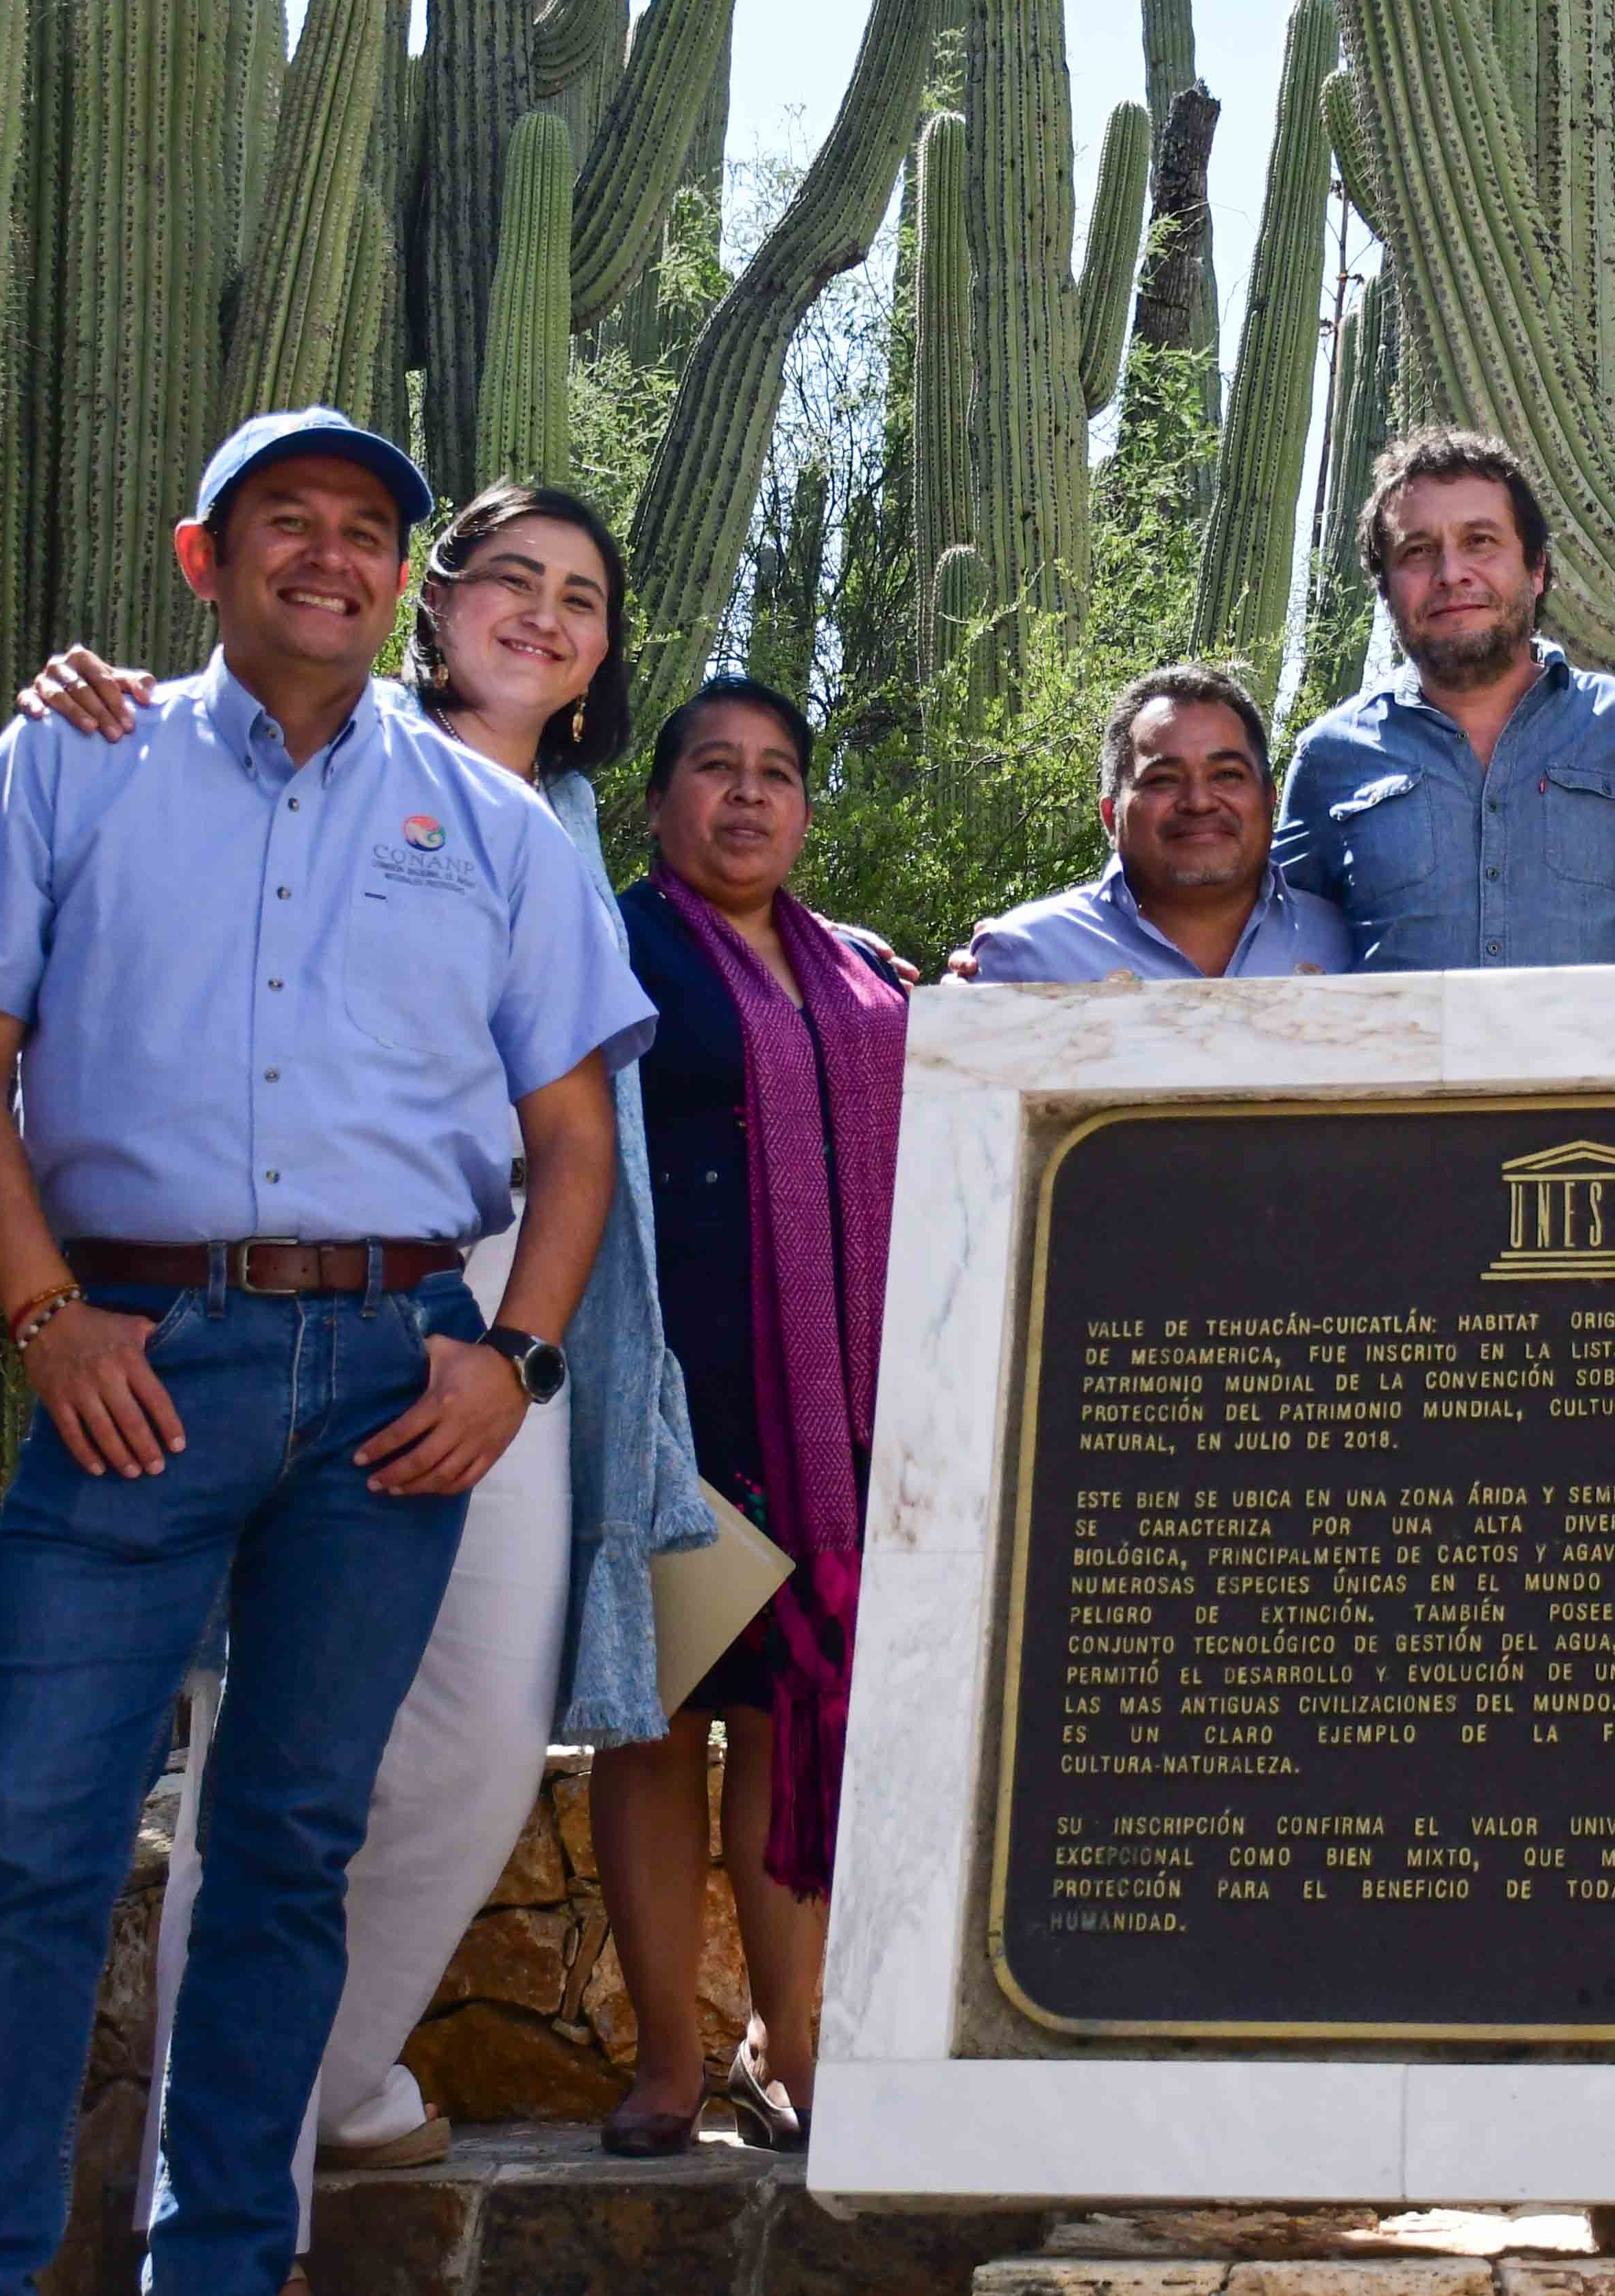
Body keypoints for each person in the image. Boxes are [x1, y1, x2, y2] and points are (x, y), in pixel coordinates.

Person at [0, 411, 655, 2296]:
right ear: (198, 556)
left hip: (393, 1377)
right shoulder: (75, 758)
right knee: (31, 1852)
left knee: (290, 1849)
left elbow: (573, 1139)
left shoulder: (487, 822)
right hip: (134, 1359)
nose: (330, 551)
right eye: (283, 521)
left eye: (365, 528)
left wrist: (515, 1360)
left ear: (404, 578)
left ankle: (220, 2260)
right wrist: (46, 1318)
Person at [15, 484, 725, 2223]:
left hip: (504, 1301)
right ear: (433, 600)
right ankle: (236, 2187)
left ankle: (295, 2093)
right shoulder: (322, 745)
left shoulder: (560, 814)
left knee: (485, 1719)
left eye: (581, 596)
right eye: (511, 580)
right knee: (254, 1742)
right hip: (290, 1277)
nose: (545, 615)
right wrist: (84, 708)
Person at [598, 676, 908, 2155]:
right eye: (712, 768)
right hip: (672, 1412)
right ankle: (666, 2058)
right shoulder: (613, 948)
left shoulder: (854, 974)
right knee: (652, 1733)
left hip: (829, 1430)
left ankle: (794, 2052)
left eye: (776, 771)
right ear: (657, 801)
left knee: (792, 1731)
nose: (746, 796)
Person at [1276, 427, 1615, 968]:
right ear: (1385, 590)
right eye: (1417, 552)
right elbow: (1283, 956)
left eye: (1479, 541)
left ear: (1537, 571)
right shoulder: (1329, 759)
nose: (1451, 574)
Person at [963, 663, 1355, 982]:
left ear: (1270, 800)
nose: (1199, 802)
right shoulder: (1025, 958)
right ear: (1110, 819)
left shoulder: (1349, 945)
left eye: (1227, 775)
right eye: (1163, 780)